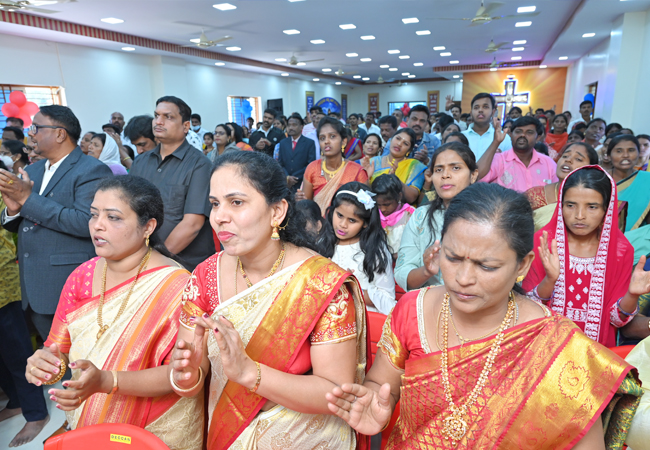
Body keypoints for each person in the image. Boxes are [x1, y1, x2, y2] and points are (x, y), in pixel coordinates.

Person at [328, 181, 641, 448]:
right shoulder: (413, 309)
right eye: (453, 257)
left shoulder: (556, 344)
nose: (463, 278)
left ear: (522, 265)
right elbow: (382, 386)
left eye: (486, 266)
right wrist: (375, 409)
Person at [170, 150, 368, 449]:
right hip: (228, 431)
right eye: (214, 204)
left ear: (277, 212)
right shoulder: (204, 276)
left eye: (236, 202)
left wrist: (250, 373)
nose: (219, 217)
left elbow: (336, 392)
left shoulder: (320, 284)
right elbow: (194, 378)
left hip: (304, 435)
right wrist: (188, 376)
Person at [26, 176, 203, 450]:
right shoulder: (81, 275)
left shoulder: (180, 287)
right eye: (94, 214)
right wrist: (46, 366)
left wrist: (107, 380)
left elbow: (182, 375)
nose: (98, 225)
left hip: (152, 430)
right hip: (89, 423)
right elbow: (57, 350)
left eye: (114, 218)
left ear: (148, 226)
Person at [0, 105, 113, 340]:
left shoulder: (92, 170)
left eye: (37, 127)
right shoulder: (34, 168)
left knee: (80, 362)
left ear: (60, 134)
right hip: (34, 283)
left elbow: (86, 222)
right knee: (54, 361)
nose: (31, 133)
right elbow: (23, 220)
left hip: (67, 284)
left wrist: (27, 200)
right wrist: (13, 212)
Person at [522, 166, 650, 347]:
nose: (579, 216)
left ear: (607, 209)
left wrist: (632, 294)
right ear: (560, 205)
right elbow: (528, 309)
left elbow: (617, 321)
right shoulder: (543, 242)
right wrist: (550, 280)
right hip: (545, 351)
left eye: (592, 207)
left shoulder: (620, 251)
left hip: (596, 356)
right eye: (570, 205)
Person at [129, 96, 215, 272]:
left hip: (184, 265)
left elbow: (192, 224)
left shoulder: (199, 164)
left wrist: (154, 262)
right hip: (140, 262)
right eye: (156, 115)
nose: (159, 122)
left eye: (168, 117)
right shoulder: (140, 162)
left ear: (185, 126)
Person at [0, 188, 49, 448]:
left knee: (17, 353)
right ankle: (17, 402)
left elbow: (9, 236)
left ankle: (36, 414)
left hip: (2, 286)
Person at [394, 142, 478, 291]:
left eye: (455, 168)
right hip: (432, 306)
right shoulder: (421, 216)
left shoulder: (489, 216)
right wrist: (426, 271)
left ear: (473, 175)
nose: (445, 175)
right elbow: (402, 274)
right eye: (438, 170)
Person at [318, 182, 395, 315]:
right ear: (332, 212)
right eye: (339, 215)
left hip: (364, 323)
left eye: (352, 220)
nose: (342, 225)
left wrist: (353, 288)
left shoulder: (375, 251)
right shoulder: (322, 243)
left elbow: (389, 303)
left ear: (365, 223)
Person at [298, 117, 369, 215]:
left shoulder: (357, 171)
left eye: (332, 136)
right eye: (322, 138)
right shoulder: (312, 168)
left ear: (343, 141)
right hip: (317, 226)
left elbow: (366, 208)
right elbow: (306, 207)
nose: (326, 141)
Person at [524, 142, 599, 231]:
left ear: (591, 168)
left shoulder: (595, 200)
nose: (568, 160)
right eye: (565, 156)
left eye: (578, 159)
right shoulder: (533, 195)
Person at [477, 116, 557, 192]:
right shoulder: (499, 159)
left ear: (538, 138)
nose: (522, 135)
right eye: (518, 131)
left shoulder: (548, 163)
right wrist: (496, 142)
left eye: (529, 132)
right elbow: (476, 177)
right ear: (511, 135)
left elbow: (558, 192)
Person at [363, 128, 426, 205]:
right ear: (391, 140)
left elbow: (412, 198)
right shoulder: (373, 161)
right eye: (398, 138)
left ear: (409, 151)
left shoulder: (415, 166)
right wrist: (367, 178)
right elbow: (364, 193)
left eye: (405, 143)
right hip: (373, 209)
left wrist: (394, 179)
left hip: (401, 213)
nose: (399, 144)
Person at [372, 174, 415, 258]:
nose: (383, 209)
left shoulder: (409, 214)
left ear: (399, 196)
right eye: (379, 205)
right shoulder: (375, 214)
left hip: (405, 260)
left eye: (387, 204)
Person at [613, 135, 650, 232]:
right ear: (609, 155)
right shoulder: (598, 178)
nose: (625, 155)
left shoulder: (647, 180)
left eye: (631, 150)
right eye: (619, 151)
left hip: (637, 241)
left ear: (638, 154)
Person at [462, 93, 512, 159]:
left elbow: (510, 165)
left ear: (493, 112)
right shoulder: (461, 137)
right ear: (471, 113)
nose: (480, 110)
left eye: (485, 107)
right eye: (476, 107)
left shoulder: (504, 138)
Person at [277, 113, 316, 192]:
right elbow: (280, 163)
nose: (291, 127)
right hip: (286, 184)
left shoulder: (309, 143)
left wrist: (294, 178)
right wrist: (287, 177)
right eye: (289, 125)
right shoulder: (283, 143)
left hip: (302, 182)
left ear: (301, 126)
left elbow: (310, 164)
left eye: (294, 125)